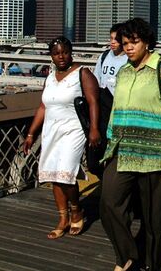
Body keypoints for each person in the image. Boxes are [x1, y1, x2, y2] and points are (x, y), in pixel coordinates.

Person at [99, 18, 161, 271]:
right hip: (122, 149)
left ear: (147, 42)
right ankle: (127, 255)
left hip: (154, 153)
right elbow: (117, 108)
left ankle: (152, 264)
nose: (128, 47)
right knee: (108, 202)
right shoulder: (125, 72)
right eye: (125, 43)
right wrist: (109, 138)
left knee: (153, 219)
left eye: (134, 42)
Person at [22, 36, 101, 239]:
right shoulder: (49, 78)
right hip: (51, 131)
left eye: (65, 52)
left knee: (66, 172)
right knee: (53, 175)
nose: (61, 57)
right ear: (51, 56)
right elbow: (43, 106)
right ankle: (63, 218)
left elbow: (93, 102)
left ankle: (76, 210)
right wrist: (31, 134)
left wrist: (94, 129)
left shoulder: (82, 73)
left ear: (70, 52)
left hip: (73, 130)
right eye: (56, 53)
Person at [92, 23, 129, 168]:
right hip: (103, 105)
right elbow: (96, 78)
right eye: (111, 38)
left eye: (116, 39)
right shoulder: (104, 56)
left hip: (119, 105)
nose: (112, 42)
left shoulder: (128, 59)